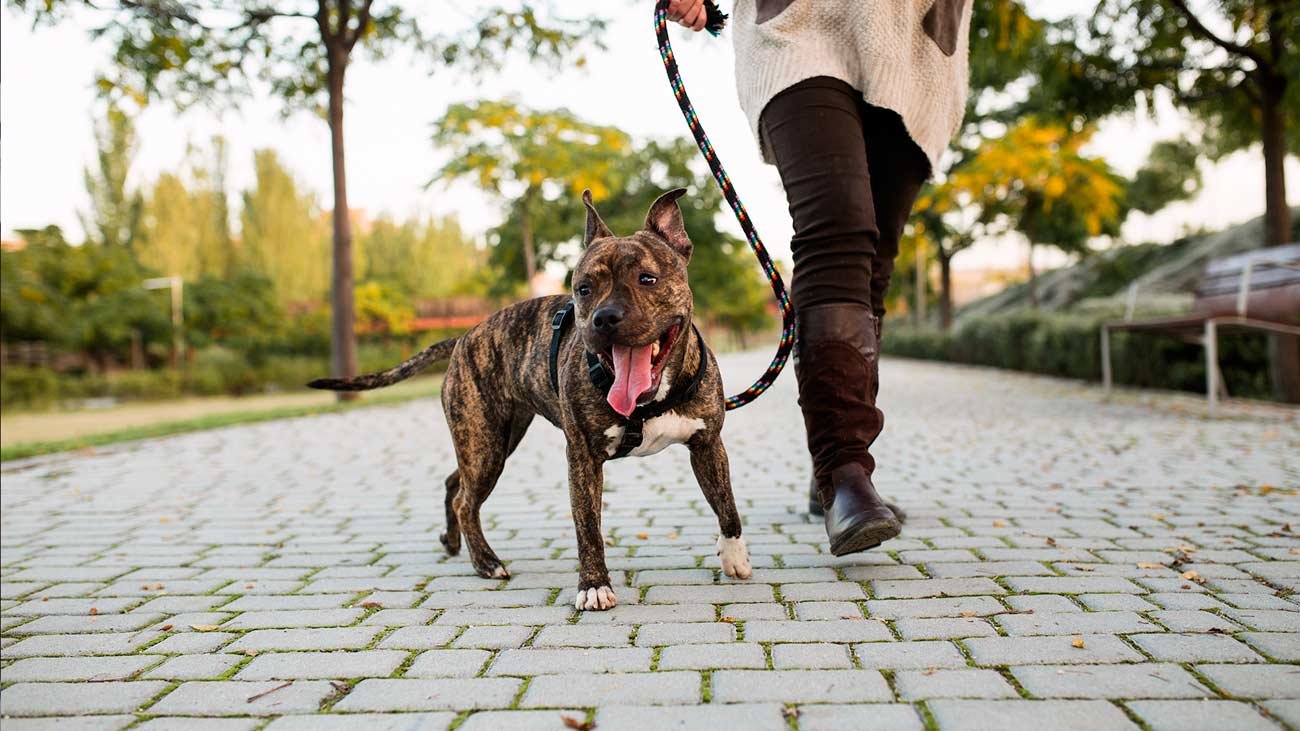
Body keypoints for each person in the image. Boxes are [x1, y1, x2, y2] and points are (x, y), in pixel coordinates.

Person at [667, 0, 970, 555]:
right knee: (838, 226)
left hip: (916, 39)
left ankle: (830, 463)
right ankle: (846, 472)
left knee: (874, 258)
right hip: (800, 23)